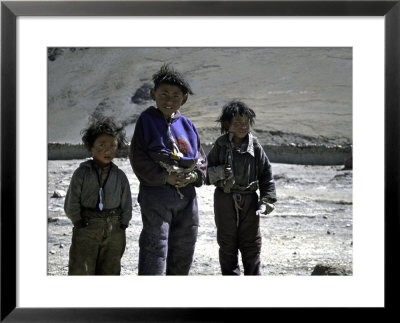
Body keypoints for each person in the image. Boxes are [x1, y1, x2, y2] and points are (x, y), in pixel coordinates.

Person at [130, 64, 207, 275]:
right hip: (157, 195)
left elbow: (201, 160)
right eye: (164, 94)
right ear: (153, 94)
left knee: (184, 247)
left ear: (184, 99)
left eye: (175, 95)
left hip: (187, 199)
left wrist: (193, 175)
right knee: (155, 246)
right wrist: (166, 178)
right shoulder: (147, 121)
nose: (169, 100)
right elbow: (139, 159)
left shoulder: (188, 126)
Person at [207, 100, 277, 275]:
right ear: (227, 124)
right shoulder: (220, 145)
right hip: (224, 199)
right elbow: (205, 173)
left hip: (250, 201)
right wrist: (221, 172)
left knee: (251, 243)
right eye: (237, 122)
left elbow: (266, 174)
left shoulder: (255, 147)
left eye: (245, 122)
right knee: (227, 243)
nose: (242, 126)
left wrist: (266, 200)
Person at [64, 116, 132, 275]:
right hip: (87, 228)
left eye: (113, 146)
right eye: (102, 145)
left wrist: (123, 225)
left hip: (115, 229)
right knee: (82, 269)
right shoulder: (81, 173)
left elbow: (126, 203)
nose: (108, 150)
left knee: (110, 269)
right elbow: (71, 201)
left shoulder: (120, 176)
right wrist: (78, 222)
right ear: (90, 146)